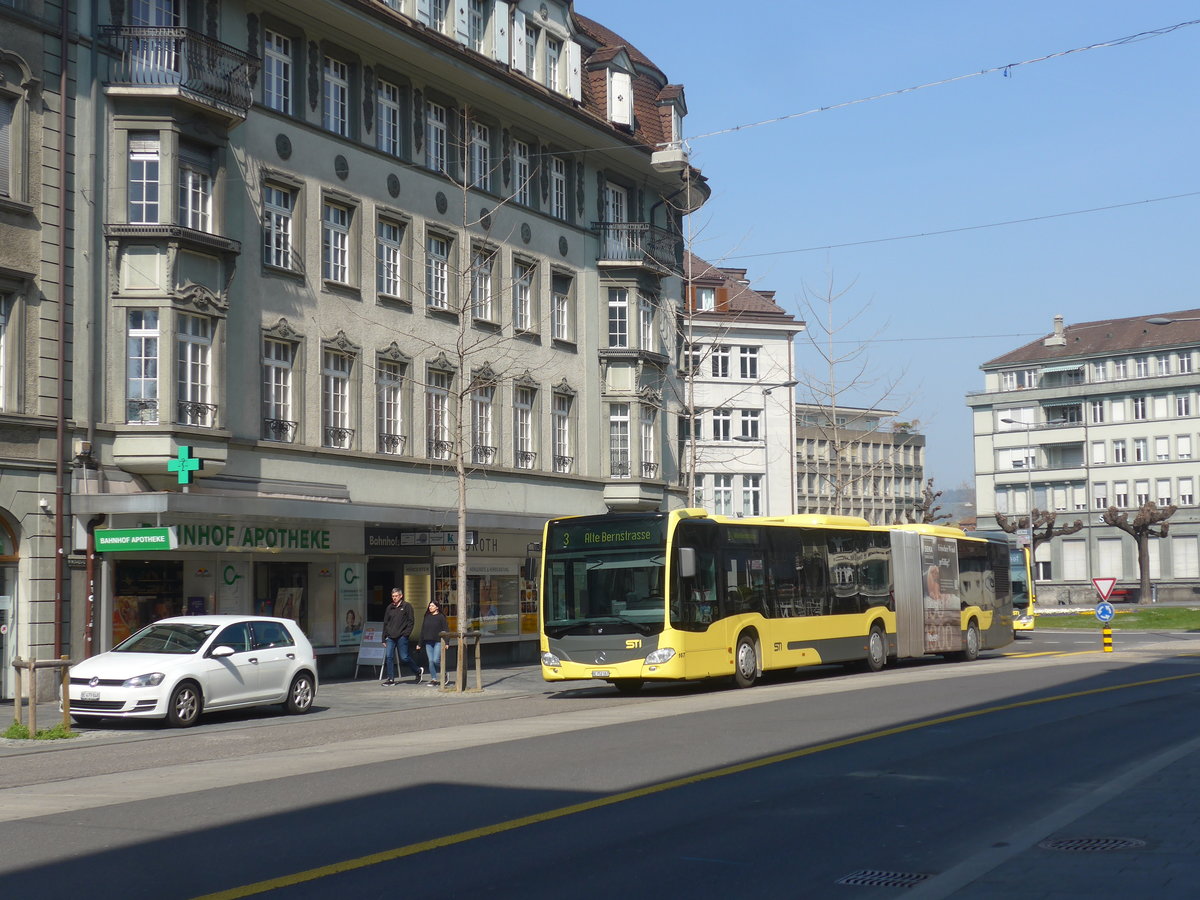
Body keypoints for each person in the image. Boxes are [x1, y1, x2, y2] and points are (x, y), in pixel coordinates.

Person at [381, 588, 423, 684]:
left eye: (396, 596)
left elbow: (411, 621)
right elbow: (385, 623)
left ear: (401, 596)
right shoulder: (389, 607)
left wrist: (406, 634)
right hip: (390, 637)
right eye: (393, 596)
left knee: (404, 657)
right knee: (389, 657)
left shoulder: (407, 606)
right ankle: (390, 678)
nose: (394, 598)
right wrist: (383, 637)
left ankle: (418, 670)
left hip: (402, 636)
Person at [420, 599, 449, 687]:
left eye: (432, 606)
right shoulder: (427, 616)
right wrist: (419, 643)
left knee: (436, 660)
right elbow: (423, 630)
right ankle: (434, 679)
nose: (430, 607)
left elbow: (446, 629)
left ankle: (444, 673)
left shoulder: (441, 617)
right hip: (428, 641)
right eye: (429, 606)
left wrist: (447, 642)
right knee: (430, 661)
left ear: (437, 607)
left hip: (438, 641)